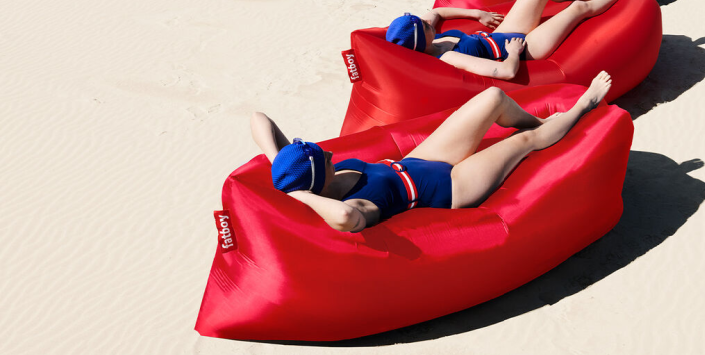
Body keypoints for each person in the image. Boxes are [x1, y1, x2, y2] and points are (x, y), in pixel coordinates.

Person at [250, 72, 613, 232]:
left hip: (418, 161)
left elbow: (259, 119)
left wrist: (279, 162)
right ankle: (584, 106)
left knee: (492, 98)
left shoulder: (307, 174)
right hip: (450, 188)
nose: (330, 154)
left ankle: (540, 122)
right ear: (315, 183)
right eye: (324, 159)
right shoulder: (356, 206)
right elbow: (345, 218)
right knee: (521, 144)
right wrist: (297, 195)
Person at [384, 0, 644, 81]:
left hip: (503, 31)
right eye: (424, 25)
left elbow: (437, 11)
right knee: (576, 9)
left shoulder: (433, 38)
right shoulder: (448, 58)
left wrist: (477, 14)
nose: (427, 21)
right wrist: (513, 53)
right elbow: (505, 73)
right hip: (525, 47)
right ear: (422, 40)